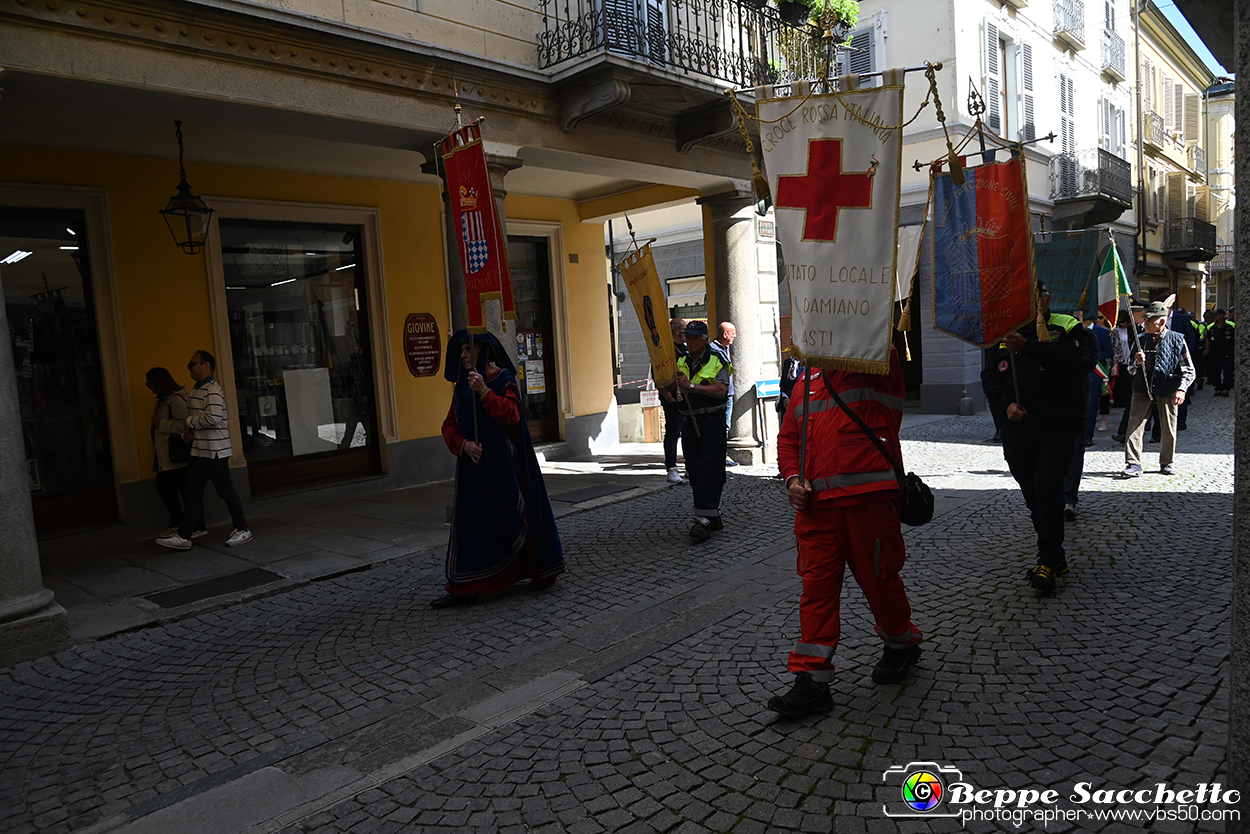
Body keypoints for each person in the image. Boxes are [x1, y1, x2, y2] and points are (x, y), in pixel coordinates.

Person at [768, 347, 922, 717]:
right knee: (815, 590)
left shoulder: (875, 362)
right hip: (816, 509)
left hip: (867, 502)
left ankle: (902, 643)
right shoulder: (807, 378)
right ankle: (812, 680)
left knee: (880, 581)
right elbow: (789, 439)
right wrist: (792, 479)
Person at [435, 330, 564, 609]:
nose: (464, 356)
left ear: (484, 350)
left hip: (506, 467)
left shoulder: (502, 380)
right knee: (471, 524)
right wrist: (464, 444)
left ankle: (537, 571)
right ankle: (466, 588)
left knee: (516, 518)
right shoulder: (461, 387)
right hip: (473, 471)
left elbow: (512, 416)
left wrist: (484, 391)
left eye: (468, 350)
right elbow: (449, 425)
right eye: (460, 351)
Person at [982, 283, 1088, 594]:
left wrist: (1027, 346)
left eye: (1035, 295)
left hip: (1057, 426)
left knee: (1047, 491)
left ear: (1046, 298)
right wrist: (1007, 406)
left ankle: (1047, 560)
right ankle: (1056, 556)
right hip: (1019, 430)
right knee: (1033, 496)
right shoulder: (1003, 333)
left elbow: (1076, 362)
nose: (1029, 302)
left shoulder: (1066, 326)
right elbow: (990, 377)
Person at [156, 351, 253, 550]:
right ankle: (184, 536)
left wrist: (189, 422)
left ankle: (242, 529)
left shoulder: (212, 390)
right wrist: (187, 434)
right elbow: (200, 423)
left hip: (215, 450)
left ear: (206, 365)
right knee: (193, 493)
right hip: (199, 450)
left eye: (192, 364)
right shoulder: (198, 389)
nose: (189, 367)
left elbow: (214, 418)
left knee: (225, 490)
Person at [1119, 302, 1196, 478]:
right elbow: (1130, 370)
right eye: (1145, 320)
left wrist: (1182, 390)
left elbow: (1189, 370)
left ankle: (1167, 462)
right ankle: (1133, 463)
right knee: (1134, 425)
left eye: (1149, 321)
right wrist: (1137, 362)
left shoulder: (1177, 339)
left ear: (1161, 322)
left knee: (1168, 427)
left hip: (1167, 387)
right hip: (1141, 388)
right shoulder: (1141, 339)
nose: (1145, 324)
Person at [676, 320, 732, 541]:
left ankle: (703, 520)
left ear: (704, 339)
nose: (688, 341)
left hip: (711, 420)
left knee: (706, 467)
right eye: (686, 337)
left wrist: (691, 386)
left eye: (692, 337)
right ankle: (712, 514)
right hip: (690, 421)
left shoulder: (719, 359)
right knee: (694, 468)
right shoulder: (681, 359)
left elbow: (720, 390)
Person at [145, 367, 205, 540]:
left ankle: (196, 525)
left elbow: (185, 424)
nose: (148, 387)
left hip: (178, 458)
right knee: (167, 489)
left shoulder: (177, 401)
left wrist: (162, 423)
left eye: (149, 383)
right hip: (166, 458)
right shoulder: (163, 401)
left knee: (184, 492)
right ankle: (179, 523)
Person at [1060, 312, 1104, 521]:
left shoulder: (1086, 336)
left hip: (1076, 400)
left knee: (1075, 452)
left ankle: (1069, 500)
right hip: (1046, 403)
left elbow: (1086, 363)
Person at [658, 318, 688, 484]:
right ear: (677, 331)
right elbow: (660, 375)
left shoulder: (686, 348)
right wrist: (669, 398)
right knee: (673, 433)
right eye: (684, 329)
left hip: (686, 396)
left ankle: (689, 466)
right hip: (672, 397)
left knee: (688, 432)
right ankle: (671, 468)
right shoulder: (668, 350)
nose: (687, 334)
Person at [715, 321, 739, 465]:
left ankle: (721, 455)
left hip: (728, 393)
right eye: (733, 333)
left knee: (726, 426)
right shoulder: (713, 350)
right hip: (720, 395)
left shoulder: (726, 348)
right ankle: (719, 456)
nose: (735, 336)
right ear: (725, 334)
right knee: (720, 427)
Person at [1206, 308, 1235, 396]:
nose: (1215, 317)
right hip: (1215, 352)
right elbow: (1207, 338)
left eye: (1216, 315)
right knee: (1215, 370)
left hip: (1228, 352)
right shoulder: (1211, 327)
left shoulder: (1230, 326)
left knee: (1228, 370)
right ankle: (1218, 388)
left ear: (1222, 316)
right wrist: (1207, 349)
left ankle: (1226, 388)